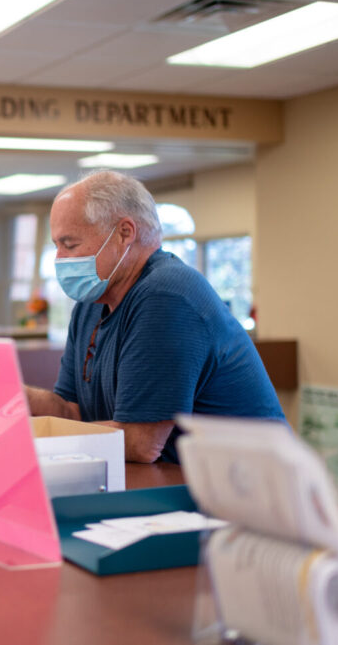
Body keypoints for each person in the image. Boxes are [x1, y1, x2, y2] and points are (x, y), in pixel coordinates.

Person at [26, 170, 285, 463]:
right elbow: (72, 412)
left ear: (124, 233)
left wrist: (38, 436)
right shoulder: (91, 304)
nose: (59, 259)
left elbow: (140, 443)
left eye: (70, 244)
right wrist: (15, 398)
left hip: (246, 489)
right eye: (56, 246)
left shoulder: (166, 295)